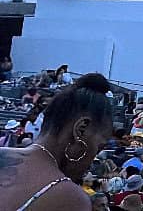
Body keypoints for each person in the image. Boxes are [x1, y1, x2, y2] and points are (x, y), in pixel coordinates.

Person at [0, 72, 117, 211]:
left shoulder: (4, 154)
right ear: (81, 129)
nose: (94, 157)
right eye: (98, 147)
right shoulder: (70, 198)